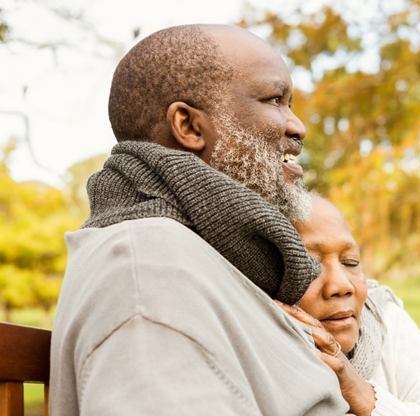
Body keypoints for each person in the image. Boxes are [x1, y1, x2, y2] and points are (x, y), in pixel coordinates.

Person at [49, 25, 350, 415]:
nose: (297, 126)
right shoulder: (147, 271)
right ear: (189, 127)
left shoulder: (202, 257)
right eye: (275, 99)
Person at [277, 195, 420, 415]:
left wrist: (364, 395)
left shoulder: (383, 319)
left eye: (350, 262)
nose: (341, 285)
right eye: (310, 266)